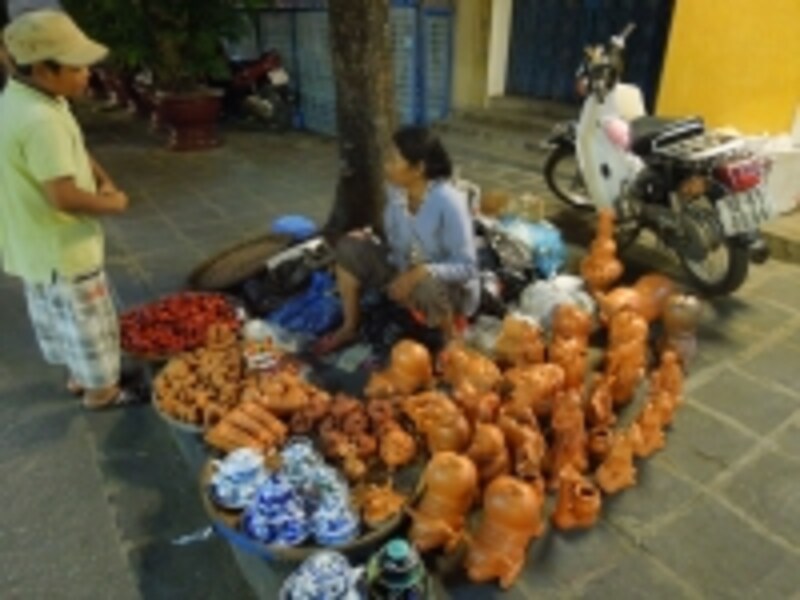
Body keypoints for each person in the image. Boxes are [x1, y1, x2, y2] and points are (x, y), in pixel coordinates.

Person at [0, 10, 139, 408]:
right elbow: (61, 195)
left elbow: (73, 149)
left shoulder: (22, 97)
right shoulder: (41, 119)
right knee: (88, 320)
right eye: (78, 67)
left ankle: (79, 376)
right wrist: (112, 203)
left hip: (33, 246)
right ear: (44, 68)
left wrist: (99, 175)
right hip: (63, 246)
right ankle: (102, 391)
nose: (87, 75)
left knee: (61, 319)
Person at [315, 126, 480, 354]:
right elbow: (396, 242)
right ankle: (349, 327)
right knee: (347, 249)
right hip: (404, 270)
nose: (386, 166)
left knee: (426, 285)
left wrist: (421, 272)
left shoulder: (449, 202)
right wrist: (370, 237)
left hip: (449, 289)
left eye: (394, 160)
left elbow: (467, 267)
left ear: (418, 169)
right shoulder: (395, 193)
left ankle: (450, 339)